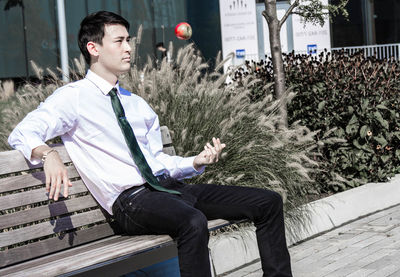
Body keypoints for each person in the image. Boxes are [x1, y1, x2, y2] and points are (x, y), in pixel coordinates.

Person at [8, 11, 292, 277]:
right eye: (119, 41)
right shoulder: (73, 98)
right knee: (192, 221)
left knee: (267, 202)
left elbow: (157, 161)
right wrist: (48, 154)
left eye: (128, 40)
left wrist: (195, 162)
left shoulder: (136, 104)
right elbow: (22, 132)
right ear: (94, 49)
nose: (128, 47)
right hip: (129, 203)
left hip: (166, 191)